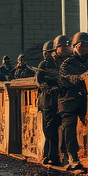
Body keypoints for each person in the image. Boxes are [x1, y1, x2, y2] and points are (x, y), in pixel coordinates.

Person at [58, 31, 88, 173]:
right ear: (74, 47)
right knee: (69, 126)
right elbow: (63, 78)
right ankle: (72, 156)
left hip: (86, 100)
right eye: (81, 46)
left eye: (86, 46)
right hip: (69, 99)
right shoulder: (67, 63)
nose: (84, 49)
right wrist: (79, 78)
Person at [36, 38, 62, 166]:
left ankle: (51, 155)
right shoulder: (44, 65)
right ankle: (49, 154)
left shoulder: (62, 63)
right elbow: (40, 82)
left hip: (59, 99)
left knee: (55, 127)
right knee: (48, 129)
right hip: (46, 100)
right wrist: (50, 88)